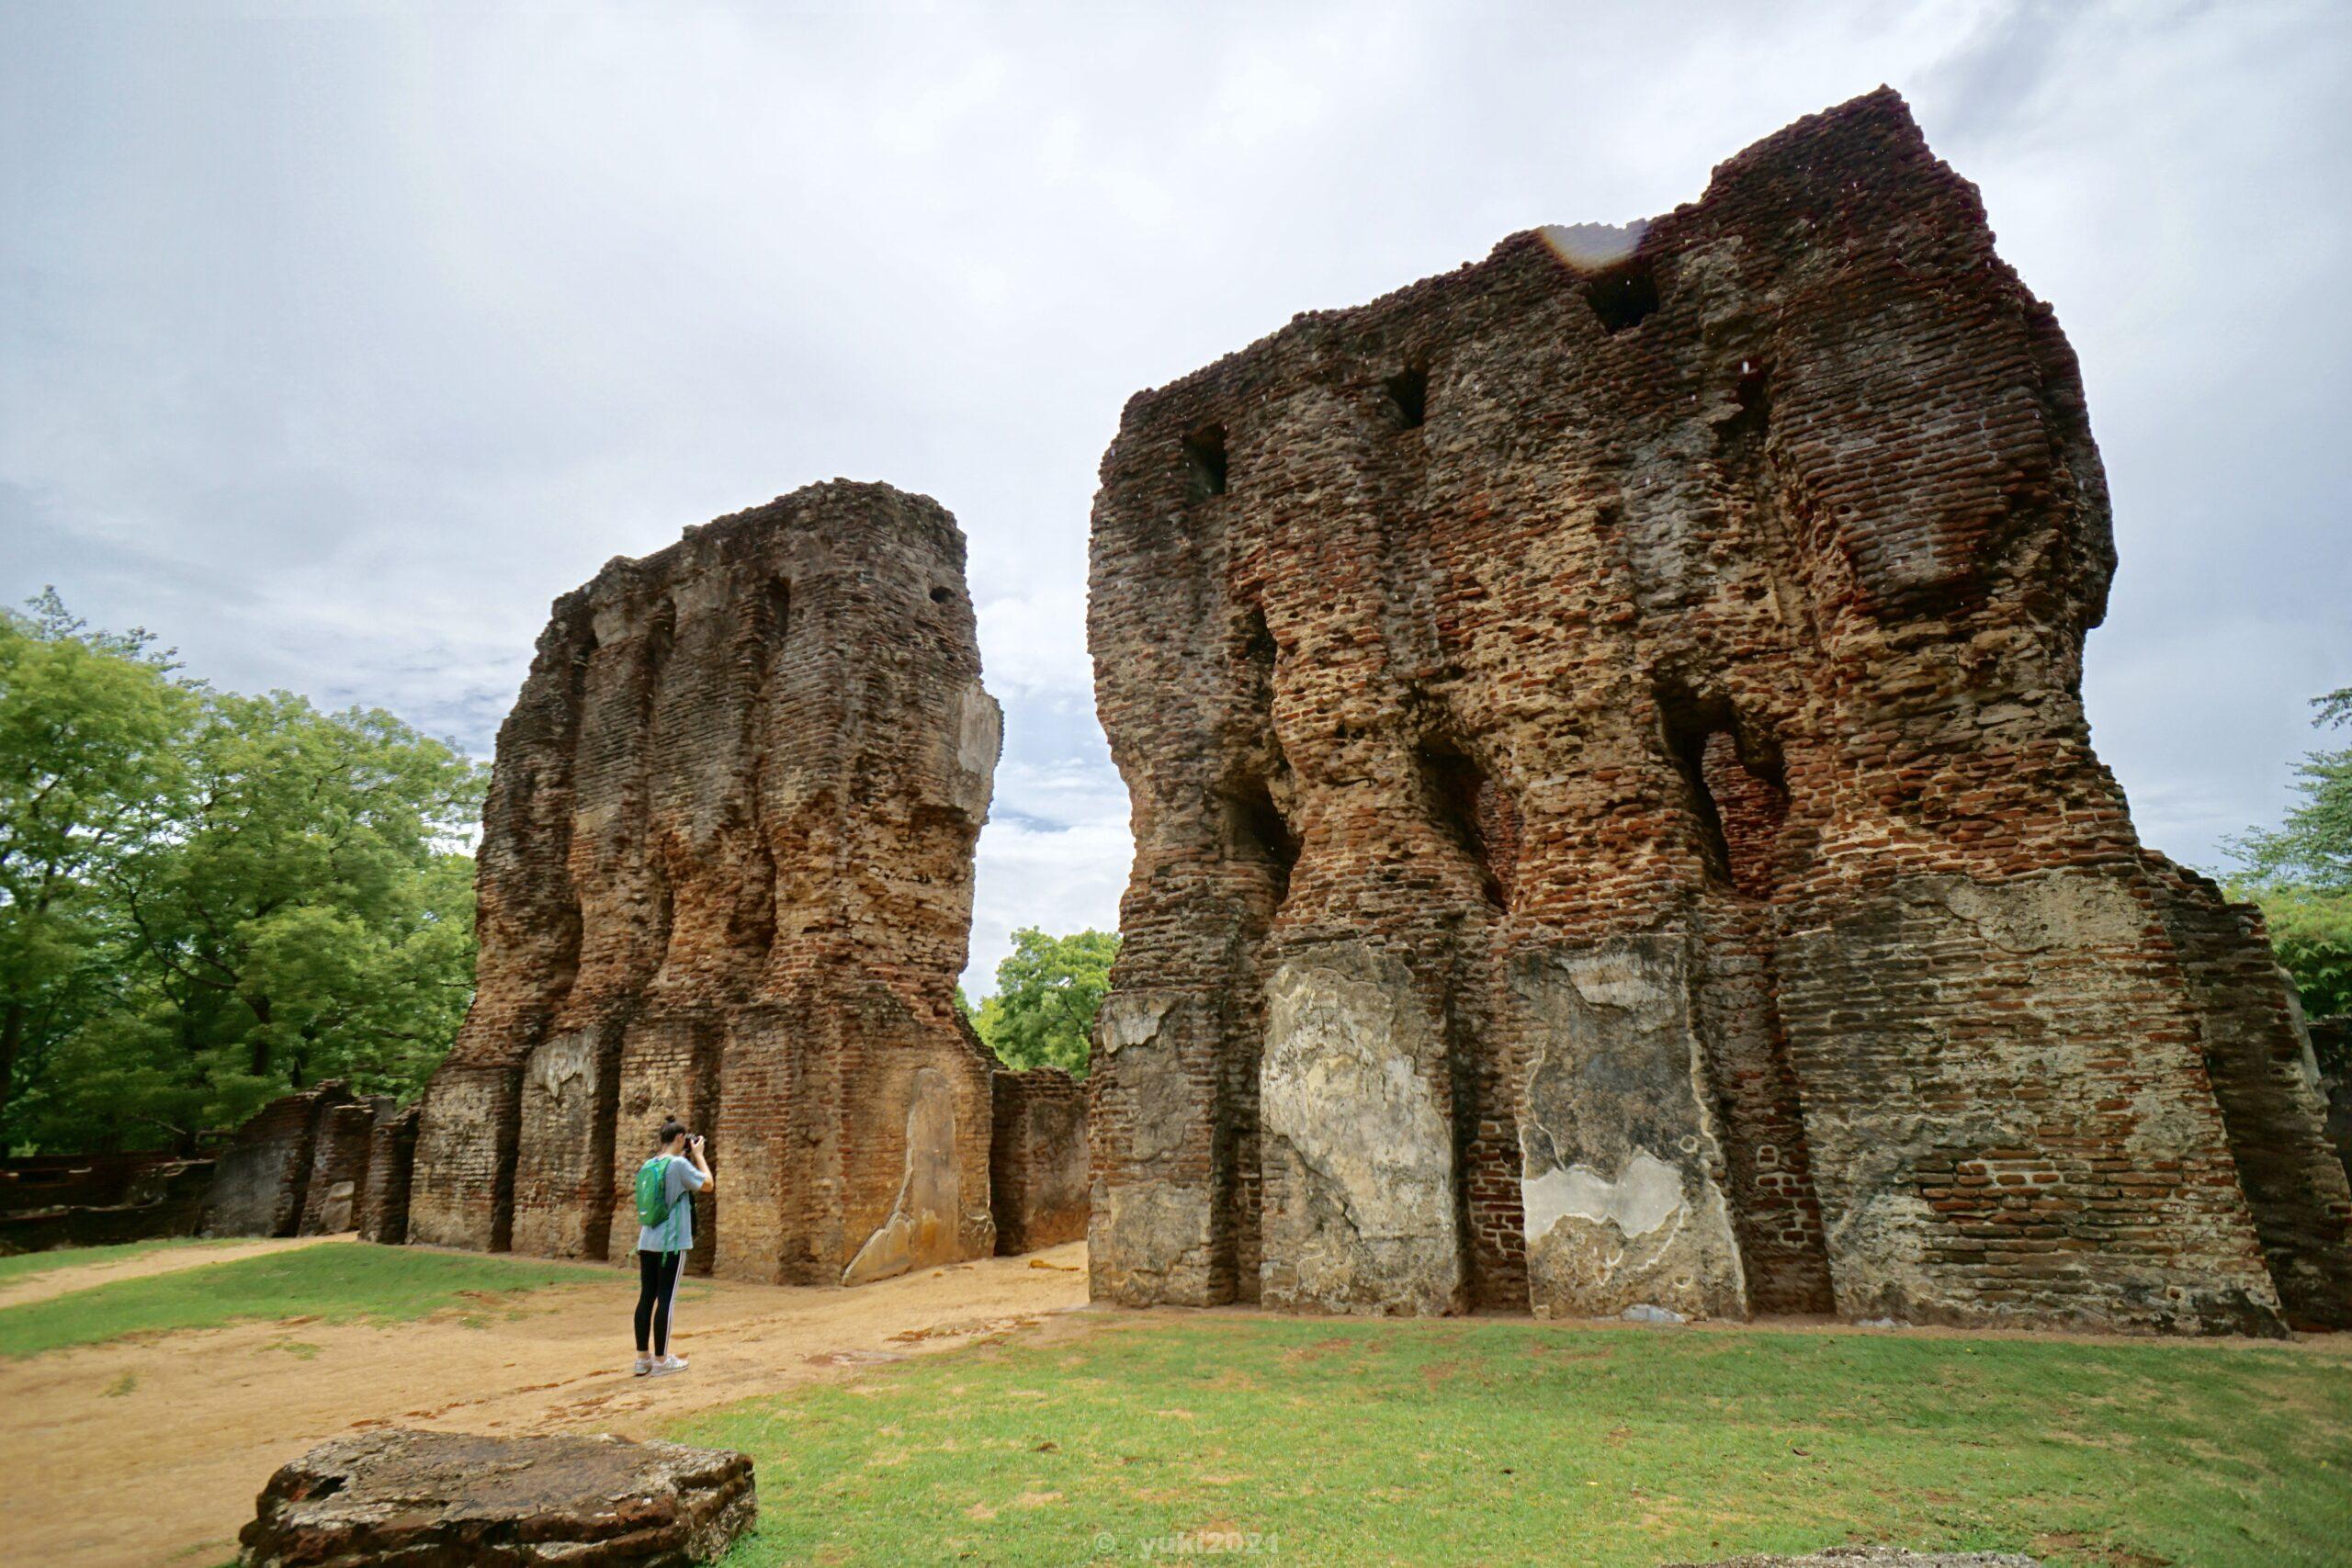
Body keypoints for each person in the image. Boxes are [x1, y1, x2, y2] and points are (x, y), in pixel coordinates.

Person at [632, 1117, 712, 1377]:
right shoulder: (678, 1164)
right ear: (679, 1138)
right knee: (666, 1298)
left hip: (647, 1241)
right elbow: (708, 1184)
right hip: (671, 1243)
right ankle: (662, 1360)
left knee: (647, 1297)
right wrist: (699, 1155)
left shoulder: (649, 1164)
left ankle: (642, 1359)